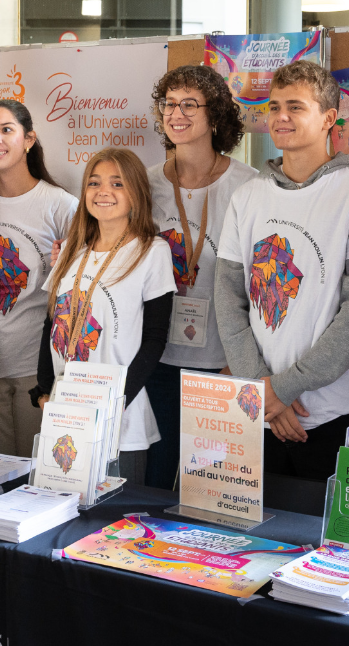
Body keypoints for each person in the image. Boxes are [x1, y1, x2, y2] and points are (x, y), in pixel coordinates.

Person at [215, 60, 349, 482]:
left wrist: (282, 390)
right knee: (254, 544)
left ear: (329, 118)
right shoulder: (248, 196)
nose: (280, 117)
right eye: (274, 106)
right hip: (256, 408)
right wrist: (261, 388)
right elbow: (228, 297)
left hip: (331, 411)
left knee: (324, 541)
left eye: (295, 107)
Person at [30, 148, 176, 485]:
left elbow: (155, 339)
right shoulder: (72, 249)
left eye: (117, 184)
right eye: (94, 183)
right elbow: (52, 323)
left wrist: (114, 404)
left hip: (119, 423)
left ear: (137, 193)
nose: (103, 192)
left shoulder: (152, 251)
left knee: (114, 530)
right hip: (66, 413)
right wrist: (43, 391)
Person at [143, 65, 257, 489]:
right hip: (156, 357)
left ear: (217, 115)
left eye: (190, 104)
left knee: (210, 485)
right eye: (169, 103)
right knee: (156, 476)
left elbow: (257, 283)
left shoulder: (249, 186)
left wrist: (240, 362)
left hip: (221, 362)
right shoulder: (146, 183)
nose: (177, 113)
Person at [0, 100, 77, 457]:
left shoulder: (60, 205)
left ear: (29, 139)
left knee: (36, 477)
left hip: (36, 370)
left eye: (6, 130)